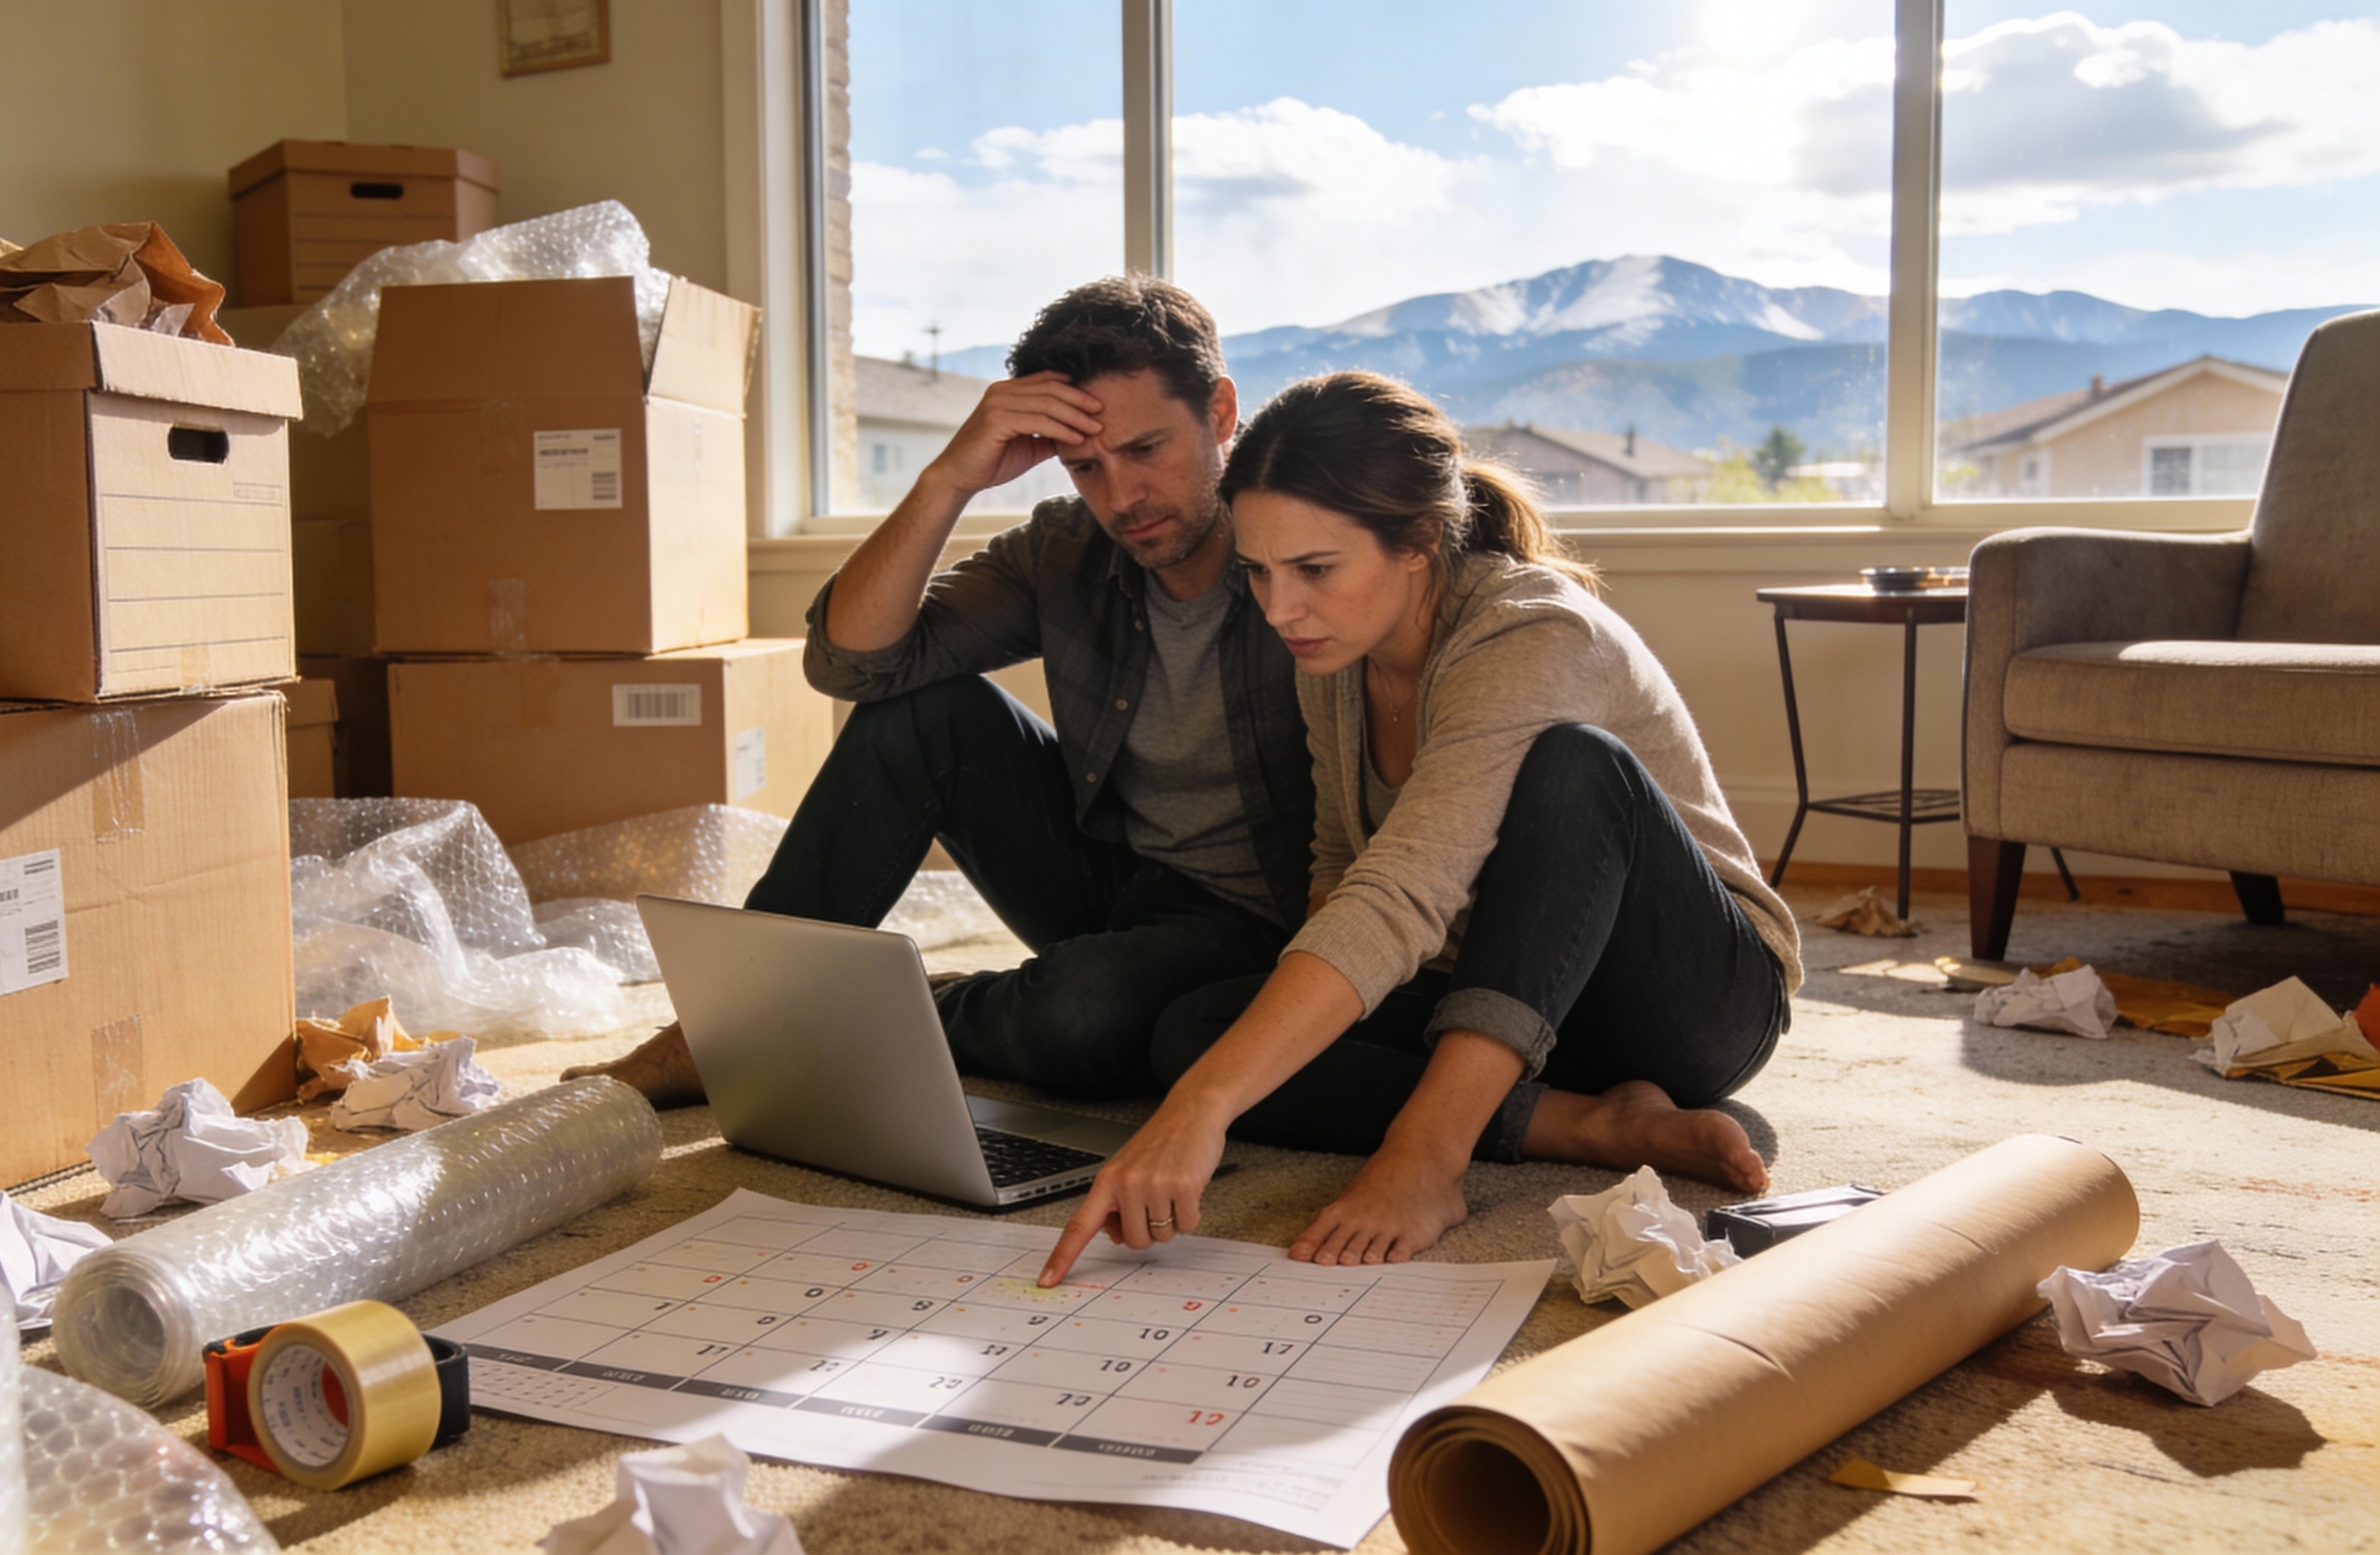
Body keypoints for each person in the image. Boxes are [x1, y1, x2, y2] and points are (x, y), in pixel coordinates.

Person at [1037, 371, 1802, 1286]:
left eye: (1314, 569)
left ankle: (1436, 1153)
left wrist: (1202, 1113)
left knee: (1574, 767)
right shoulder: (1332, 651)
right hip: (1497, 1002)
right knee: (1198, 1031)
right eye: (1259, 571)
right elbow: (1341, 865)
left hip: (1680, 1002)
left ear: (1419, 541)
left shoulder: (1535, 631)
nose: (1280, 608)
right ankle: (1594, 1123)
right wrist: (1222, 1075)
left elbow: (1404, 890)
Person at [569, 276, 1314, 1106]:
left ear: (1219, 414)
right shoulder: (1063, 551)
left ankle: (899, 1010)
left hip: (1263, 917)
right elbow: (854, 666)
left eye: (1145, 450)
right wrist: (947, 482)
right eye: (1083, 467)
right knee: (920, 712)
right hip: (1115, 882)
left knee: (1079, 1019)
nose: (1121, 497)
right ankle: (730, 1021)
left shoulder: (1312, 545)